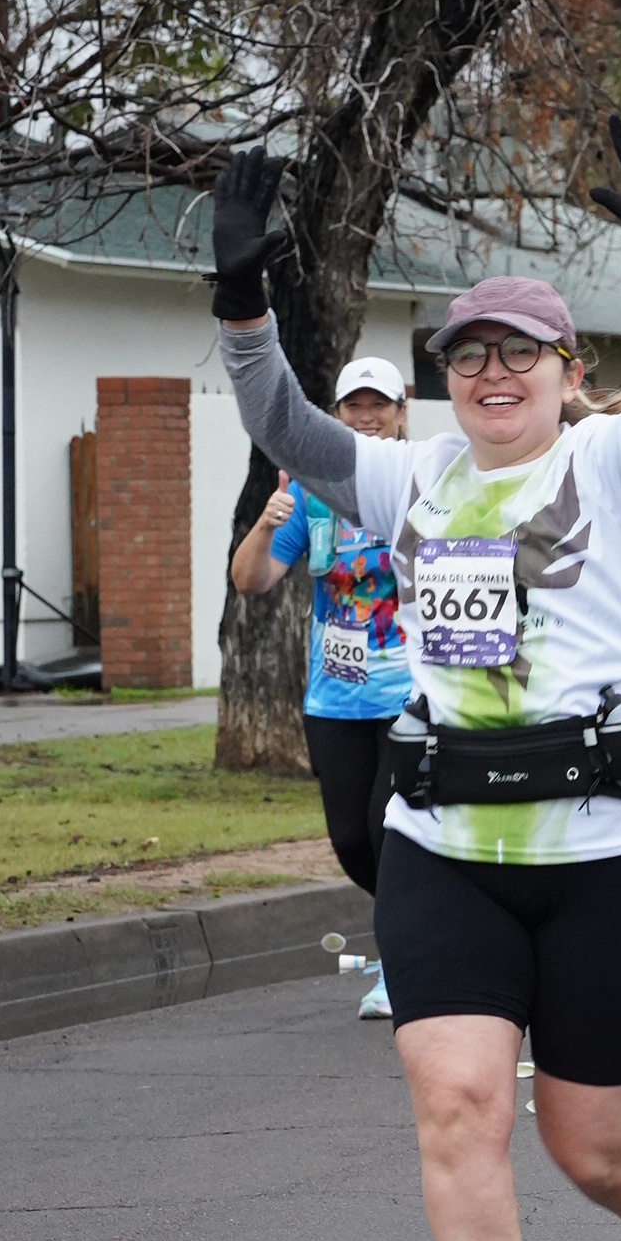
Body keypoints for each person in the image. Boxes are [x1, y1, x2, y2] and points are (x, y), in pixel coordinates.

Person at [208, 104, 621, 1241]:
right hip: (444, 836)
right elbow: (280, 421)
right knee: (454, 1100)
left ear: (565, 369)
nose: (493, 371)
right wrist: (242, 301)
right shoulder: (406, 478)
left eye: (518, 351)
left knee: (589, 1148)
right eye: (468, 354)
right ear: (447, 378)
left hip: (617, 849)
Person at [229, 355, 414, 1019]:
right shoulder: (310, 492)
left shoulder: (420, 482)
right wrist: (268, 520)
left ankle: (403, 965)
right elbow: (250, 580)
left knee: (388, 827)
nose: (366, 417)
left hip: (411, 695)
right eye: (353, 406)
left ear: (401, 413)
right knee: (351, 840)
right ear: (336, 415)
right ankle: (419, 936)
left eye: (379, 405)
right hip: (334, 697)